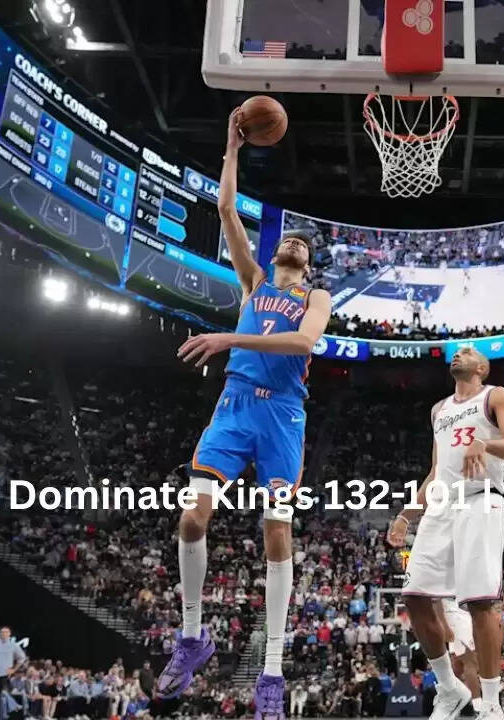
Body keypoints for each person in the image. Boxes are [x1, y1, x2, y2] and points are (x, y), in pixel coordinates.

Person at [157, 107, 332, 720]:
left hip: (282, 416)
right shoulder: (255, 281)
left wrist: (229, 338)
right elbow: (227, 209)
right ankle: (191, 637)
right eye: (290, 238)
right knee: (191, 518)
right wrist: (232, 146)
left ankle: (272, 673)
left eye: (304, 244)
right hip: (233, 407)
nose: (295, 242)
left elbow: (304, 342)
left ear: (307, 263)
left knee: (276, 530)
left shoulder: (315, 296)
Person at [387, 346, 504, 720]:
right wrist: (406, 516)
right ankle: (450, 688)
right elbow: (435, 473)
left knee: (480, 602)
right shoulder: (439, 410)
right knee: (414, 596)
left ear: (482, 367)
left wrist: (485, 443)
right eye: (456, 351)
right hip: (441, 504)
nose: (457, 354)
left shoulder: (495, 396)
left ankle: (492, 704)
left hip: (481, 499)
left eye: (467, 352)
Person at [434, 599, 481, 712]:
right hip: (455, 616)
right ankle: (478, 707)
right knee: (470, 662)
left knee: (457, 666)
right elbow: (436, 600)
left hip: (459, 614)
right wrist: (444, 626)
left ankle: (447, 699)